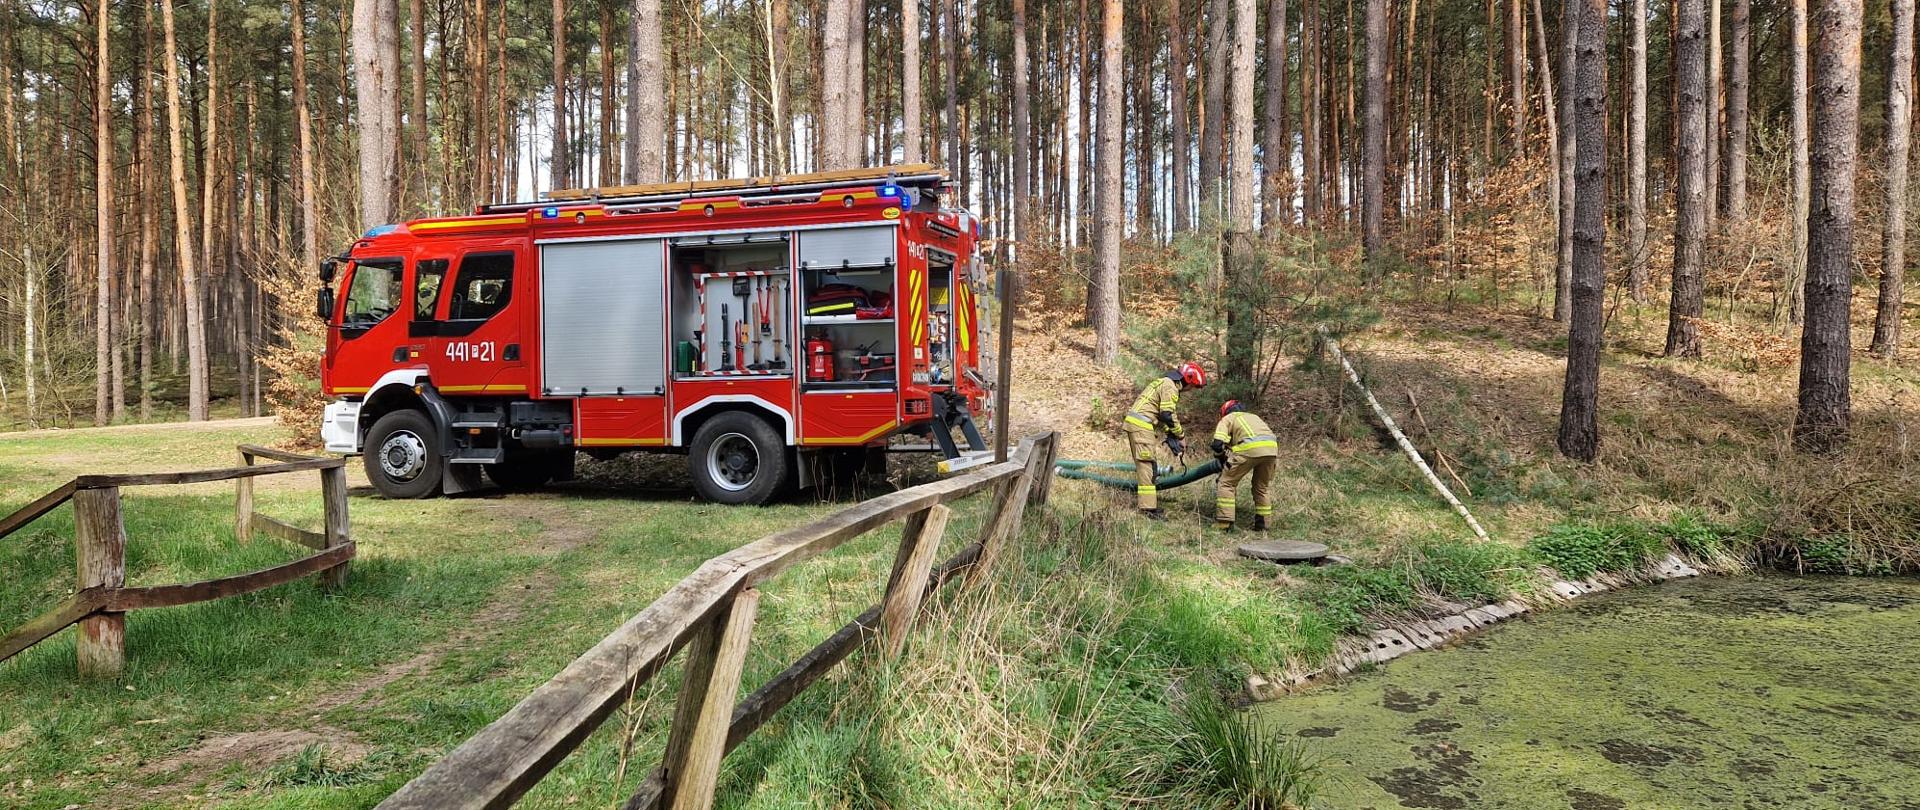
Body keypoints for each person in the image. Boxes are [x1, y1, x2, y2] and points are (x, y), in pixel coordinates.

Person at [1123, 362, 1208, 519]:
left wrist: (1170, 433)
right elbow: (1167, 414)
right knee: (1147, 466)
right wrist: (1181, 436)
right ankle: (1148, 509)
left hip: (1140, 424)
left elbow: (1162, 414)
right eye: (1193, 386)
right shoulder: (1170, 387)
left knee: (1150, 465)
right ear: (1188, 380)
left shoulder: (1165, 382)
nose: (1191, 390)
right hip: (1141, 426)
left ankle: (1149, 506)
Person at [1209, 399, 1278, 531]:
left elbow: (1217, 444)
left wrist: (1221, 457)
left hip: (1248, 448)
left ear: (1225, 412)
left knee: (1226, 483)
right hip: (1271, 450)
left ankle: (1224, 522)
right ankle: (1263, 524)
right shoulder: (1253, 417)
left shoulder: (1228, 418)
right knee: (1261, 487)